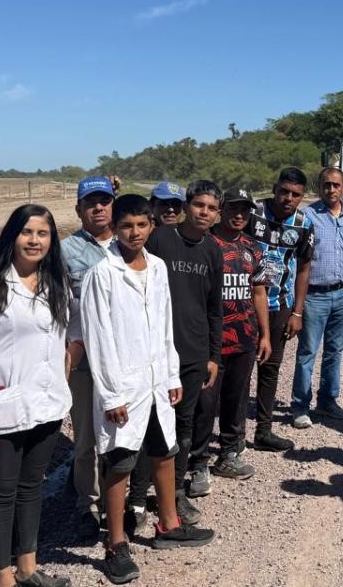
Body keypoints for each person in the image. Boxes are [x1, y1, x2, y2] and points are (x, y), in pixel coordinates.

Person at [80, 194, 214, 584]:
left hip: (157, 382)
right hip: (123, 386)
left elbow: (164, 324)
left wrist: (171, 375)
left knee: (163, 452)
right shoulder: (101, 275)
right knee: (120, 462)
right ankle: (116, 543)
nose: (134, 233)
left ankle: (169, 525)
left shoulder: (157, 267)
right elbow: (97, 338)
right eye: (126, 226)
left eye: (141, 225)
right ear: (114, 229)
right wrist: (111, 395)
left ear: (152, 226)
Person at [0, 205, 73, 587]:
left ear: (51, 240)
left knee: (31, 490)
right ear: (12, 236)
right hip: (2, 412)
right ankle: (4, 578)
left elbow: (61, 343)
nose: (35, 240)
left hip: (47, 408)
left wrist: (62, 379)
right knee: (1, 496)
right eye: (27, 232)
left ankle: (27, 568)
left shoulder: (55, 283)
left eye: (43, 233)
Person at [126, 181, 224, 528]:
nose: (204, 212)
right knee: (148, 428)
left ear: (217, 214)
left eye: (211, 208)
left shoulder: (213, 250)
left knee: (183, 429)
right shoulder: (160, 239)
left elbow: (215, 308)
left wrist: (214, 355)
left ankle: (176, 494)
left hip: (194, 354)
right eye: (199, 205)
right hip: (154, 354)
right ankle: (137, 501)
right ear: (187, 205)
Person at [190, 187, 271, 486]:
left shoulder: (255, 247)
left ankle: (229, 454)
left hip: (245, 338)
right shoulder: (204, 243)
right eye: (233, 209)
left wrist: (265, 335)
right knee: (204, 404)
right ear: (221, 209)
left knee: (237, 401)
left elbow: (260, 291)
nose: (239, 215)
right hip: (210, 342)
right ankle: (198, 463)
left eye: (245, 210)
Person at [290, 168, 343, 429]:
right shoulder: (308, 216)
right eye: (326, 185)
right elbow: (297, 260)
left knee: (335, 351)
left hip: (342, 295)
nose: (331, 190)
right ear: (319, 187)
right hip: (314, 296)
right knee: (307, 352)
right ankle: (300, 406)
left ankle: (327, 401)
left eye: (335, 185)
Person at [61, 175, 116, 540]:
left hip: (123, 361)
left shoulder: (131, 243)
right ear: (79, 208)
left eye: (104, 201)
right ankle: (88, 504)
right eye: (90, 202)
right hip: (82, 360)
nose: (98, 207)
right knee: (85, 441)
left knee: (122, 435)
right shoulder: (64, 251)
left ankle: (123, 500)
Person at [245, 167, 314, 452]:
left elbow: (305, 267)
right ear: (275, 189)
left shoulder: (303, 223)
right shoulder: (253, 213)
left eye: (295, 195)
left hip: (280, 305)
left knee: (270, 369)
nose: (288, 198)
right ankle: (233, 436)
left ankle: (264, 430)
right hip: (245, 305)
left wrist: (297, 312)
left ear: (302, 197)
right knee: (240, 370)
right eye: (283, 192)